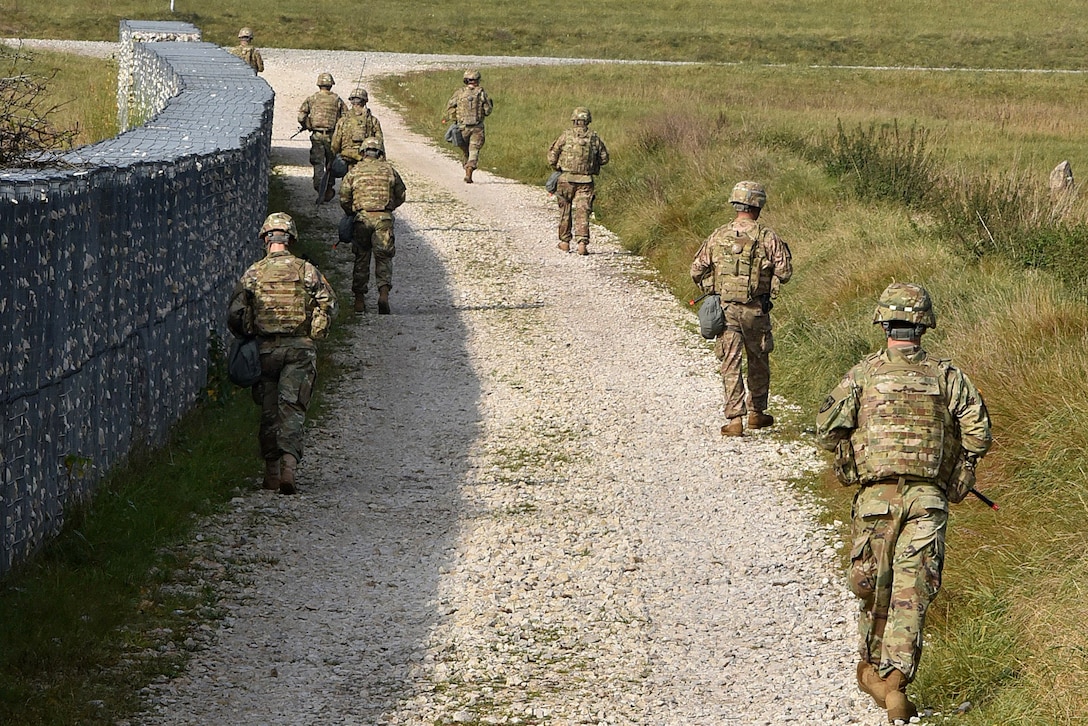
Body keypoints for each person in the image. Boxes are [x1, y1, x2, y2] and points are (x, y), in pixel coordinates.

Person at [814, 282, 992, 723]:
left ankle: (875, 669)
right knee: (912, 590)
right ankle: (894, 681)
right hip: (927, 500)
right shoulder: (947, 376)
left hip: (876, 497)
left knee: (874, 582)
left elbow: (826, 429)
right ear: (923, 326)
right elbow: (979, 434)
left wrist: (849, 457)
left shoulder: (862, 374)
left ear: (883, 323)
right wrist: (960, 465)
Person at [228, 213, 337, 495]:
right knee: (292, 408)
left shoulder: (253, 272)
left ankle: (271, 473)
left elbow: (236, 313)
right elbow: (328, 301)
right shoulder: (306, 270)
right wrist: (316, 331)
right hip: (299, 348)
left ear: (266, 239)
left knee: (268, 411)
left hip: (265, 350)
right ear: (290, 239)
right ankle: (289, 467)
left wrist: (249, 331)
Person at [690, 181, 792, 436]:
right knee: (758, 360)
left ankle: (735, 419)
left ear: (735, 204)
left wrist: (711, 288)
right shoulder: (767, 237)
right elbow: (785, 272)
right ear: (757, 206)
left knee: (730, 363)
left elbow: (696, 269)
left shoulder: (718, 236)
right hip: (756, 310)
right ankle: (757, 413)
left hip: (727, 310)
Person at [339, 138, 407, 315]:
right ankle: (383, 295)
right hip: (383, 218)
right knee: (383, 257)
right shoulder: (389, 170)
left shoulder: (355, 171)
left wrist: (351, 211)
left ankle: (359, 301)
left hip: (362, 218)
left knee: (362, 256)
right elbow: (401, 194)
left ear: (362, 152)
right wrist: (388, 208)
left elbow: (344, 197)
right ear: (380, 153)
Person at [547, 107, 610, 255]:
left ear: (574, 120)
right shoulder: (593, 137)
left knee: (565, 211)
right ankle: (582, 244)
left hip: (565, 180)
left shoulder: (565, 136)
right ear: (587, 120)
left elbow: (552, 157)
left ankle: (564, 242)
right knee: (583, 212)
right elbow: (604, 158)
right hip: (586, 181)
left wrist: (558, 166)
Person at [298, 73, 347, 200]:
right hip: (332, 136)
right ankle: (328, 187)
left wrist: (307, 124)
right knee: (331, 163)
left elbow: (301, 116)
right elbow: (345, 118)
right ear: (331, 85)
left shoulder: (312, 99)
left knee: (318, 162)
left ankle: (320, 186)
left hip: (317, 136)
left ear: (319, 84)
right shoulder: (337, 100)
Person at [445, 69, 493, 183]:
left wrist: (455, 118)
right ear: (478, 80)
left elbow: (450, 107)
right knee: (474, 150)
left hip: (462, 128)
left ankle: (467, 168)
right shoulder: (481, 93)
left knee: (466, 150)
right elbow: (487, 111)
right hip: (477, 128)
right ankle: (469, 170)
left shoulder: (459, 93)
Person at [331, 87, 384, 168]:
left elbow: (336, 142)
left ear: (351, 101)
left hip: (347, 157)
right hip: (366, 157)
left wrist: (334, 155)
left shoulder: (343, 120)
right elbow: (379, 142)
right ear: (365, 101)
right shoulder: (373, 120)